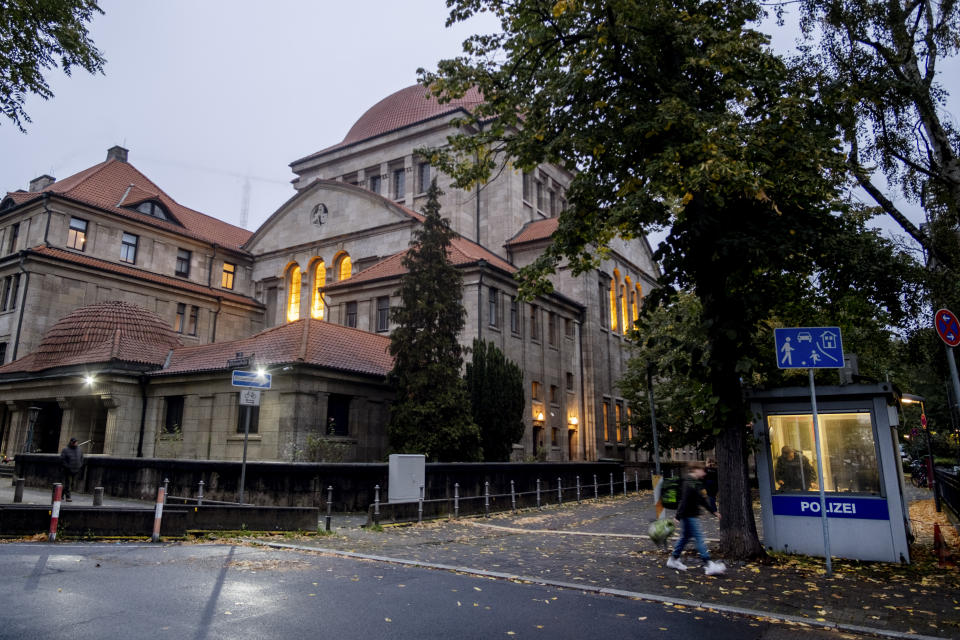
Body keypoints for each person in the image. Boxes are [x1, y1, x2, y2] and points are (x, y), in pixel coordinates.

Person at [666, 461, 725, 575]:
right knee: (699, 538)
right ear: (695, 470)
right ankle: (708, 564)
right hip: (689, 515)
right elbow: (684, 500)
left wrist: (714, 511)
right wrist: (678, 516)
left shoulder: (695, 482)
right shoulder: (689, 483)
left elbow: (702, 500)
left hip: (690, 515)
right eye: (702, 470)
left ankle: (673, 559)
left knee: (685, 538)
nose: (704, 473)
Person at [60, 437, 83, 502]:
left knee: (71, 484)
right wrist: (68, 467)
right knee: (68, 483)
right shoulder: (65, 450)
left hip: (76, 470)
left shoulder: (79, 449)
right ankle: (68, 497)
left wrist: (80, 465)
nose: (76, 443)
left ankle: (61, 494)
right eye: (74, 442)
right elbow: (62, 460)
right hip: (67, 470)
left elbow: (81, 458)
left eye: (76, 442)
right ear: (71, 442)